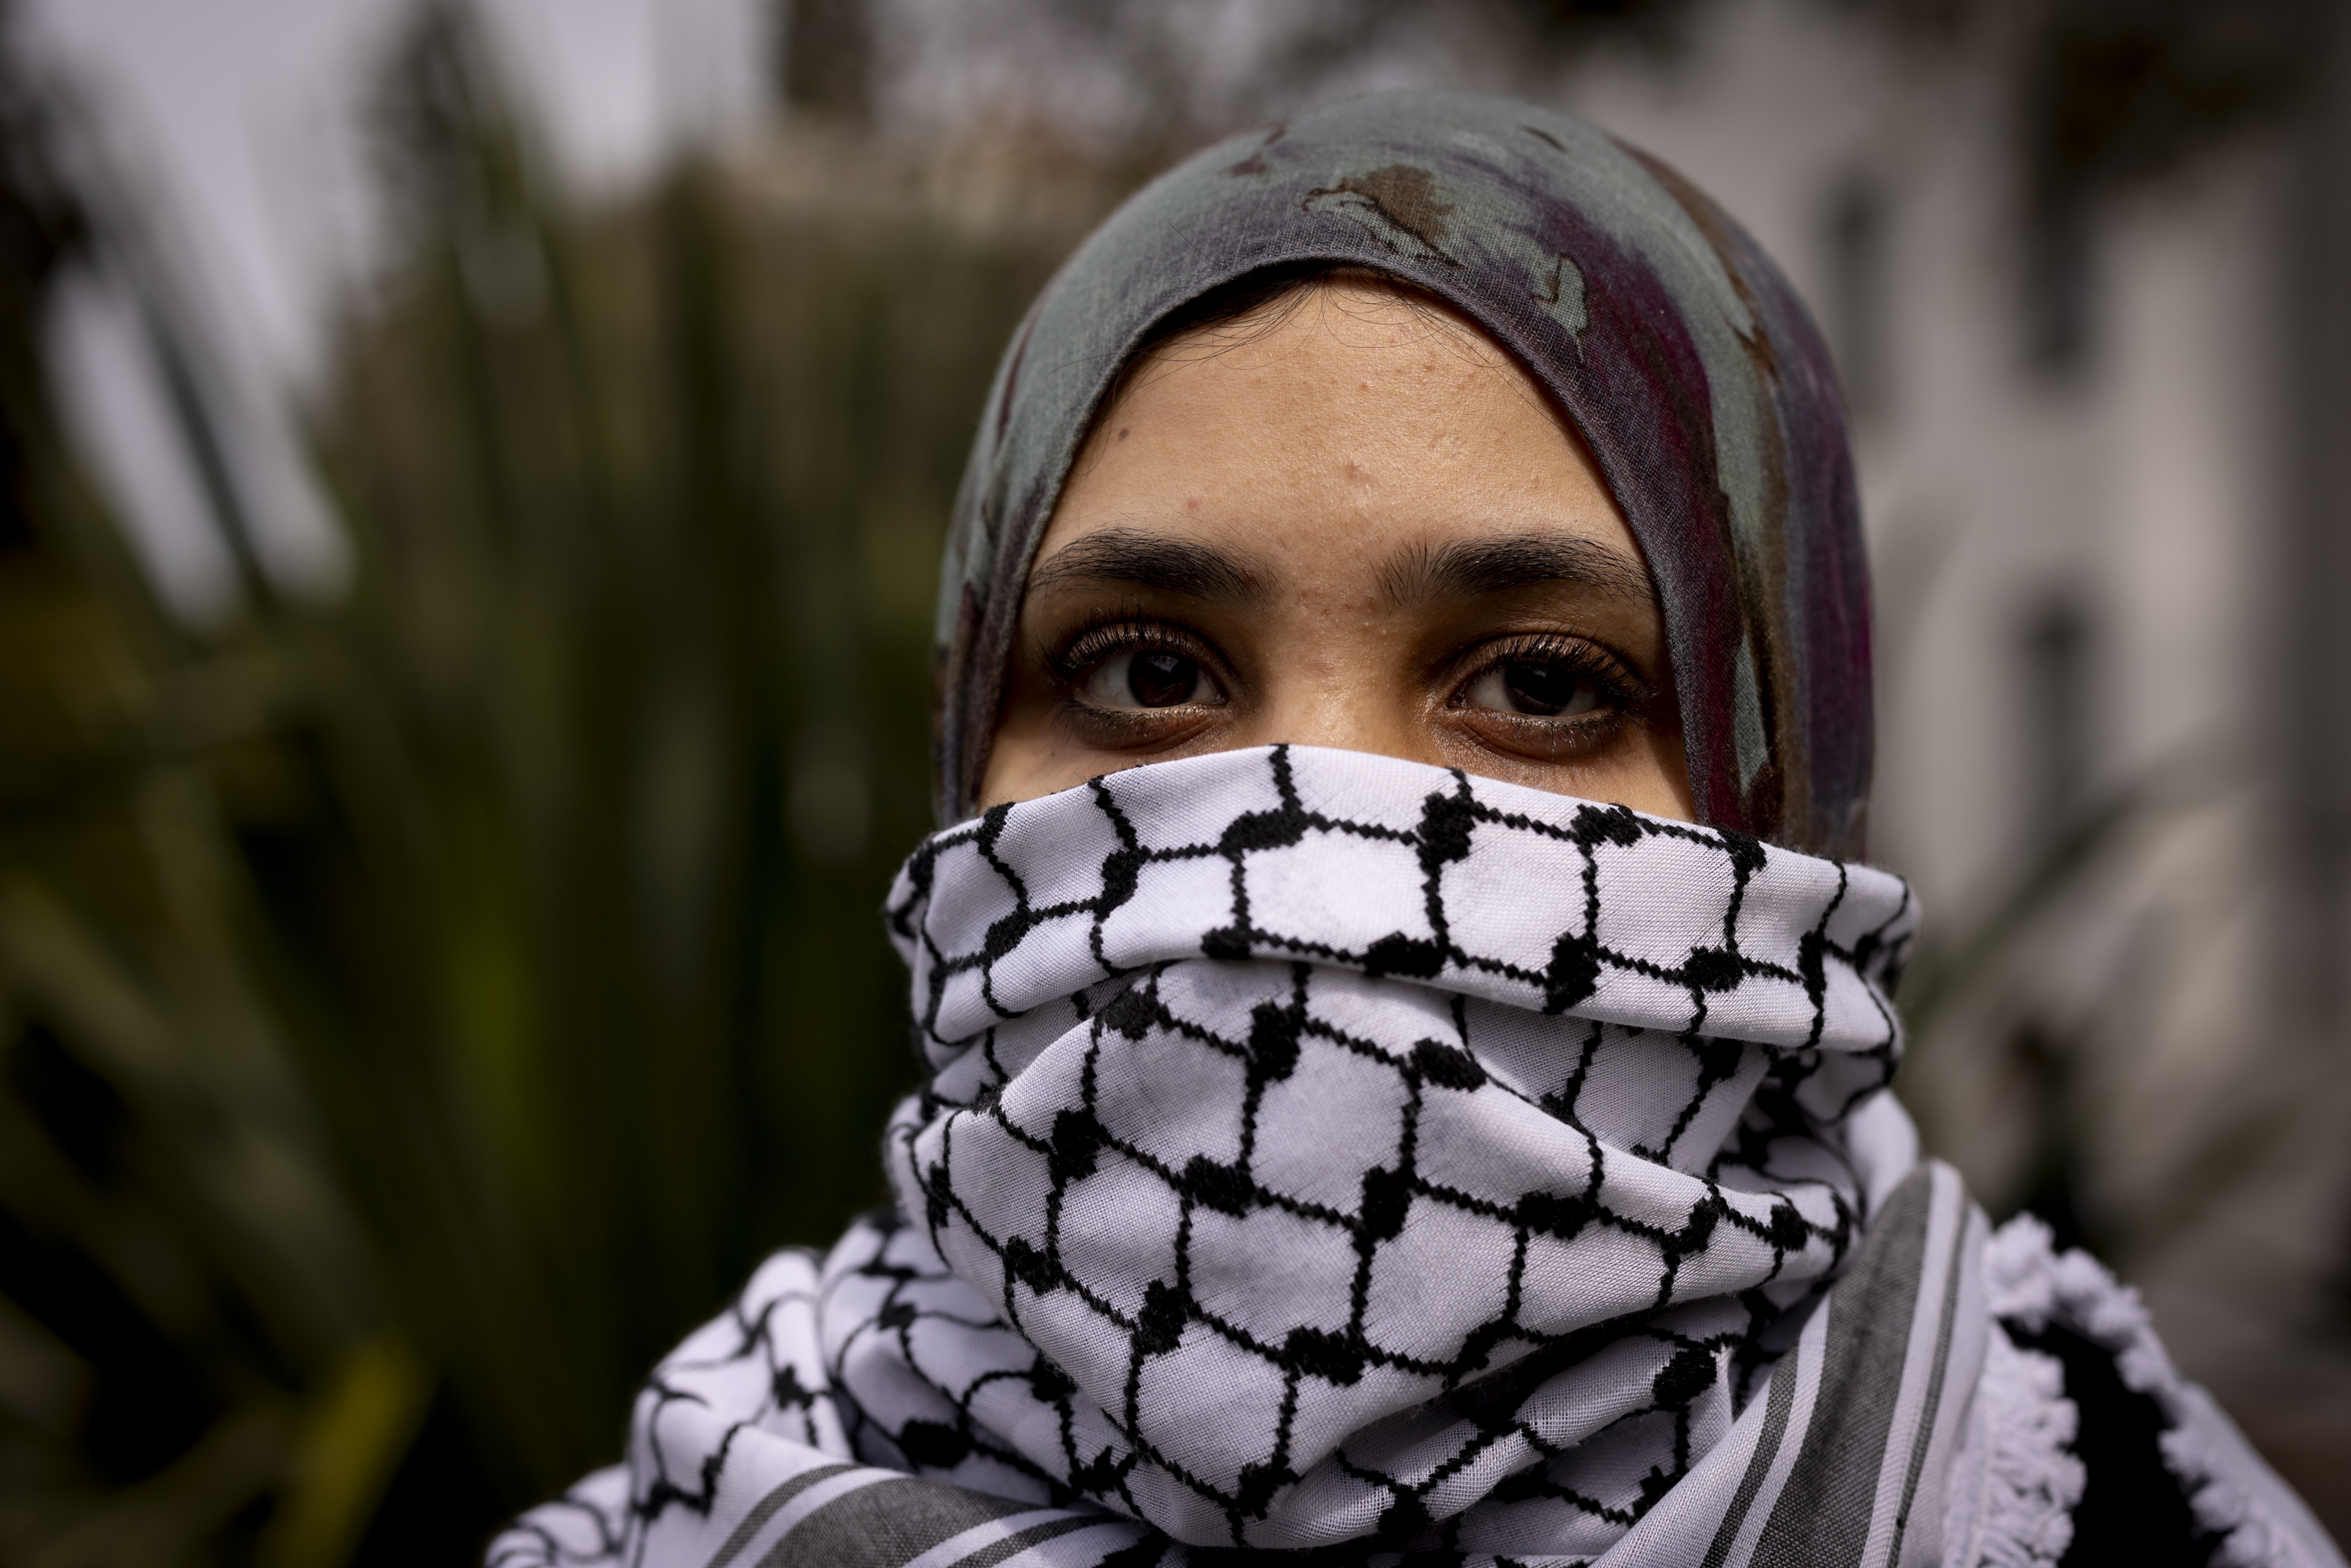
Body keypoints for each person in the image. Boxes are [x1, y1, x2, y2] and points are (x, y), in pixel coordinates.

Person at [492, 91, 2341, 1568]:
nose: (1310, 859)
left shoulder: (2107, 1510)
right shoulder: (691, 1514)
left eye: (1539, 686)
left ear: (1791, 795)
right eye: (1145, 669)